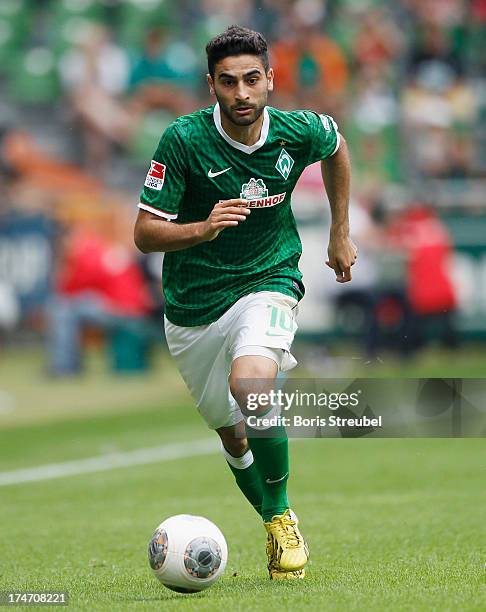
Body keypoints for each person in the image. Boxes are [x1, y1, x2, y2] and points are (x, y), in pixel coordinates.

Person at [134, 26, 357, 580]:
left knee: (252, 386)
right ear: (211, 85)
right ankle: (270, 518)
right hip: (193, 307)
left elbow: (336, 146)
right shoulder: (183, 141)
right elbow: (143, 232)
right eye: (229, 82)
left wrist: (339, 232)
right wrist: (202, 229)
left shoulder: (295, 130)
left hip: (269, 278)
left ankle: (282, 518)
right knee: (233, 435)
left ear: (270, 81)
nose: (242, 93)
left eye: (252, 80)